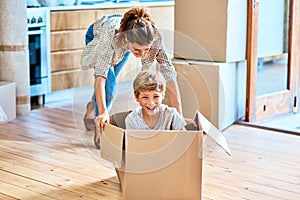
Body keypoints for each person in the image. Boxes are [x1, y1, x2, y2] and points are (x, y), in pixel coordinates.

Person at [81, 7, 183, 147]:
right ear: (127, 39)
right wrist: (104, 112)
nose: (141, 55)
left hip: (124, 43)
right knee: (109, 85)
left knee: (108, 84)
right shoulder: (111, 37)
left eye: (146, 50)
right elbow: (100, 76)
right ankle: (101, 129)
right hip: (97, 37)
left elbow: (168, 72)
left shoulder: (154, 36)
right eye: (137, 50)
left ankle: (93, 105)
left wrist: (178, 110)